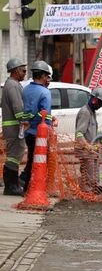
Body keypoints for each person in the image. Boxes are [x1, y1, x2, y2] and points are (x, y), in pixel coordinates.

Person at [20, 60, 54, 191]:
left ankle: (26, 185)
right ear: (43, 76)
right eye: (47, 76)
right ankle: (30, 187)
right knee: (39, 161)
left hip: (28, 132)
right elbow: (44, 114)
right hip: (40, 133)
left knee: (31, 159)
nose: (48, 79)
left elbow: (27, 111)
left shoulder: (26, 89)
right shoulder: (45, 92)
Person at [74, 88, 102, 192]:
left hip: (90, 151)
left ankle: (87, 194)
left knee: (93, 177)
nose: (100, 106)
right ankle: (86, 198)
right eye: (100, 103)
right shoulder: (85, 112)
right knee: (90, 178)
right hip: (85, 151)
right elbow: (79, 134)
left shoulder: (92, 112)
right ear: (94, 100)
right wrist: (88, 146)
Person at [1, 58, 27, 195]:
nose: (25, 73)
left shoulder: (12, 84)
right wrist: (25, 120)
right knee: (14, 155)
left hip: (13, 126)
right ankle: (11, 186)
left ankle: (13, 184)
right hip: (14, 127)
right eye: (23, 70)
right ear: (16, 70)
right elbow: (18, 107)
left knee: (15, 155)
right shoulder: (13, 85)